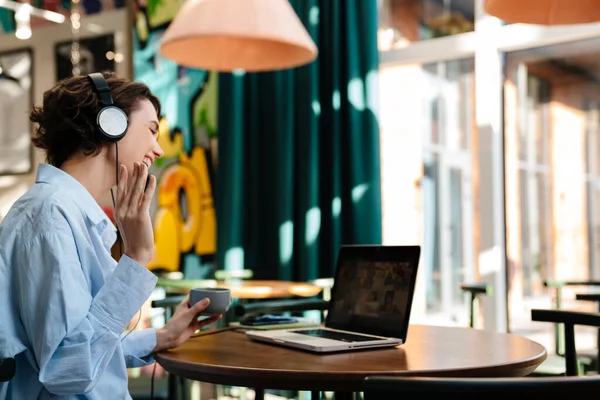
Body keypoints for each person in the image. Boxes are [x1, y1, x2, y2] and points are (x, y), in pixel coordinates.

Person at [0, 72, 221, 399]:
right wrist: (136, 258)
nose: (158, 150)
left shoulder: (67, 213)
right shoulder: (48, 216)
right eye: (151, 130)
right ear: (110, 124)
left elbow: (81, 343)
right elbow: (66, 368)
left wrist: (160, 337)